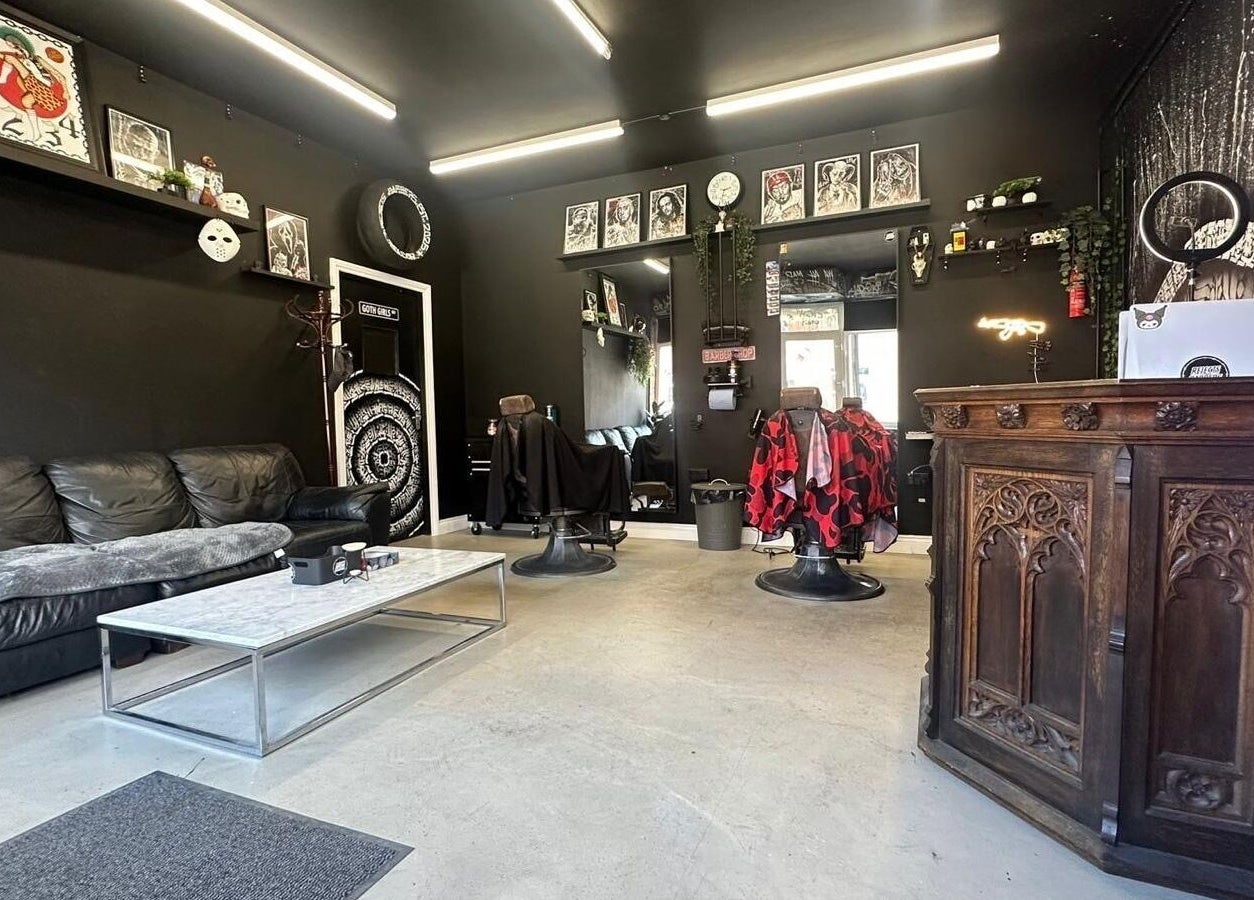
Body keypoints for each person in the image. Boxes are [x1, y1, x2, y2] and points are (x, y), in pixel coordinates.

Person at [0, 28, 67, 144]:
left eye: (14, 46)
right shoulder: (19, 58)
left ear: (20, 46)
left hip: (41, 84)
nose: (14, 49)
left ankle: (2, 80)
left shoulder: (36, 59)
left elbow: (60, 76)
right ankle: (37, 132)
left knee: (10, 59)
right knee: (26, 101)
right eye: (10, 46)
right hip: (33, 86)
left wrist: (66, 91)